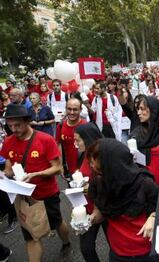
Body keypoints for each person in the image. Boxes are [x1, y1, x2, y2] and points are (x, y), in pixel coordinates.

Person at [0, 104, 70, 262]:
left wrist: (36, 174)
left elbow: (58, 168)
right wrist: (5, 175)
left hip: (47, 194)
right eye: (10, 126)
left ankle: (66, 243)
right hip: (23, 196)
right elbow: (9, 167)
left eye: (17, 125)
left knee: (57, 223)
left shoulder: (45, 140)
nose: (14, 129)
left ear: (27, 121)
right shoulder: (8, 140)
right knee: (31, 236)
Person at [86, 139, 158, 261]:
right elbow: (99, 213)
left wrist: (153, 217)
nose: (91, 165)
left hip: (146, 251)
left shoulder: (144, 183)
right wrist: (90, 219)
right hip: (117, 253)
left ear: (109, 162)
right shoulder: (98, 183)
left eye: (93, 161)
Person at [74, 122, 106, 262]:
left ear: (87, 139)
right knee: (86, 248)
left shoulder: (103, 157)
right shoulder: (84, 154)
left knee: (116, 245)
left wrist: (91, 188)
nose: (75, 144)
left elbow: (110, 184)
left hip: (105, 208)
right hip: (88, 209)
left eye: (77, 140)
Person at [130, 96, 159, 185]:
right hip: (149, 184)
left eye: (142, 109)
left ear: (153, 109)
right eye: (138, 109)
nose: (139, 113)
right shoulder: (137, 134)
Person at [56, 98, 87, 178]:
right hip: (68, 169)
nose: (72, 112)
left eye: (75, 110)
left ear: (80, 110)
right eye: (69, 109)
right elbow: (58, 145)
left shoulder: (86, 126)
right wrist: (61, 165)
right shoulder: (61, 125)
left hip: (84, 170)